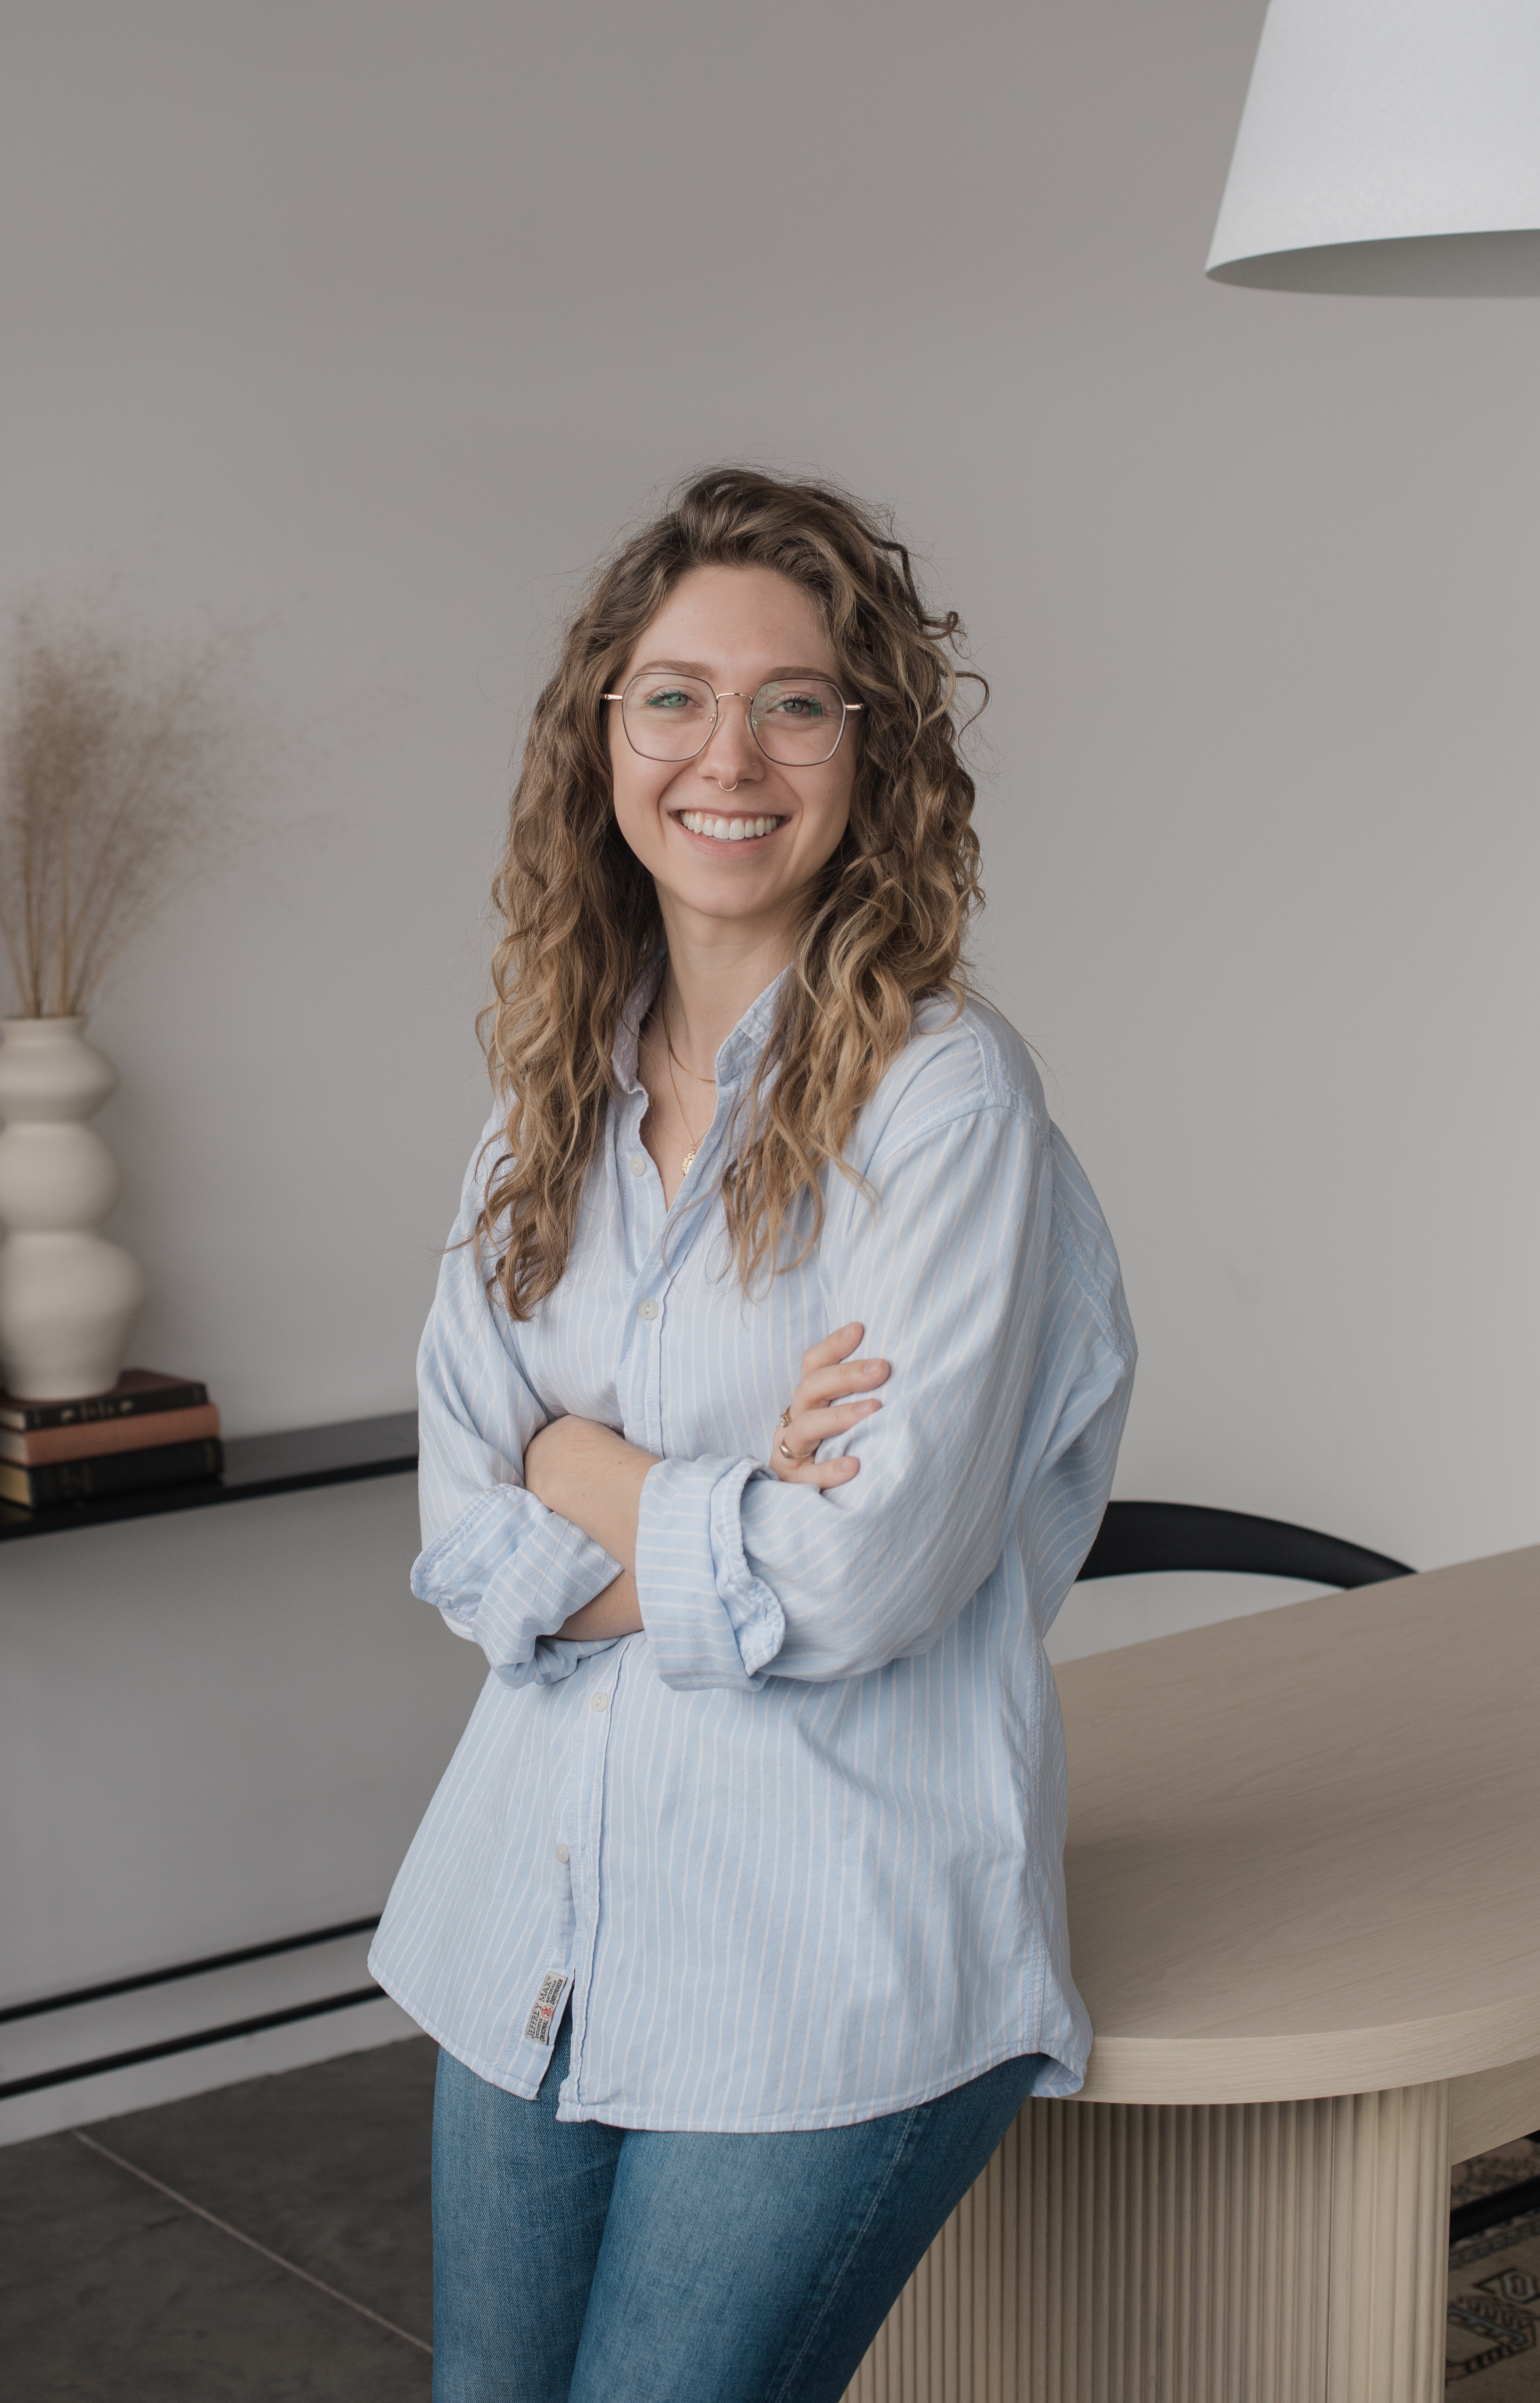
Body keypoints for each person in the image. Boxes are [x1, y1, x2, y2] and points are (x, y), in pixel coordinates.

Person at [370, 467, 1135, 2403]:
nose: (730, 755)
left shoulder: (945, 1106)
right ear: (603, 736)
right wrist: (727, 1502)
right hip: (529, 1916)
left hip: (824, 1963)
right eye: (675, 697)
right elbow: (461, 1527)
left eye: (795, 702)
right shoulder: (544, 1096)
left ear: (871, 755)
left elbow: (865, 1577)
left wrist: (589, 1467)